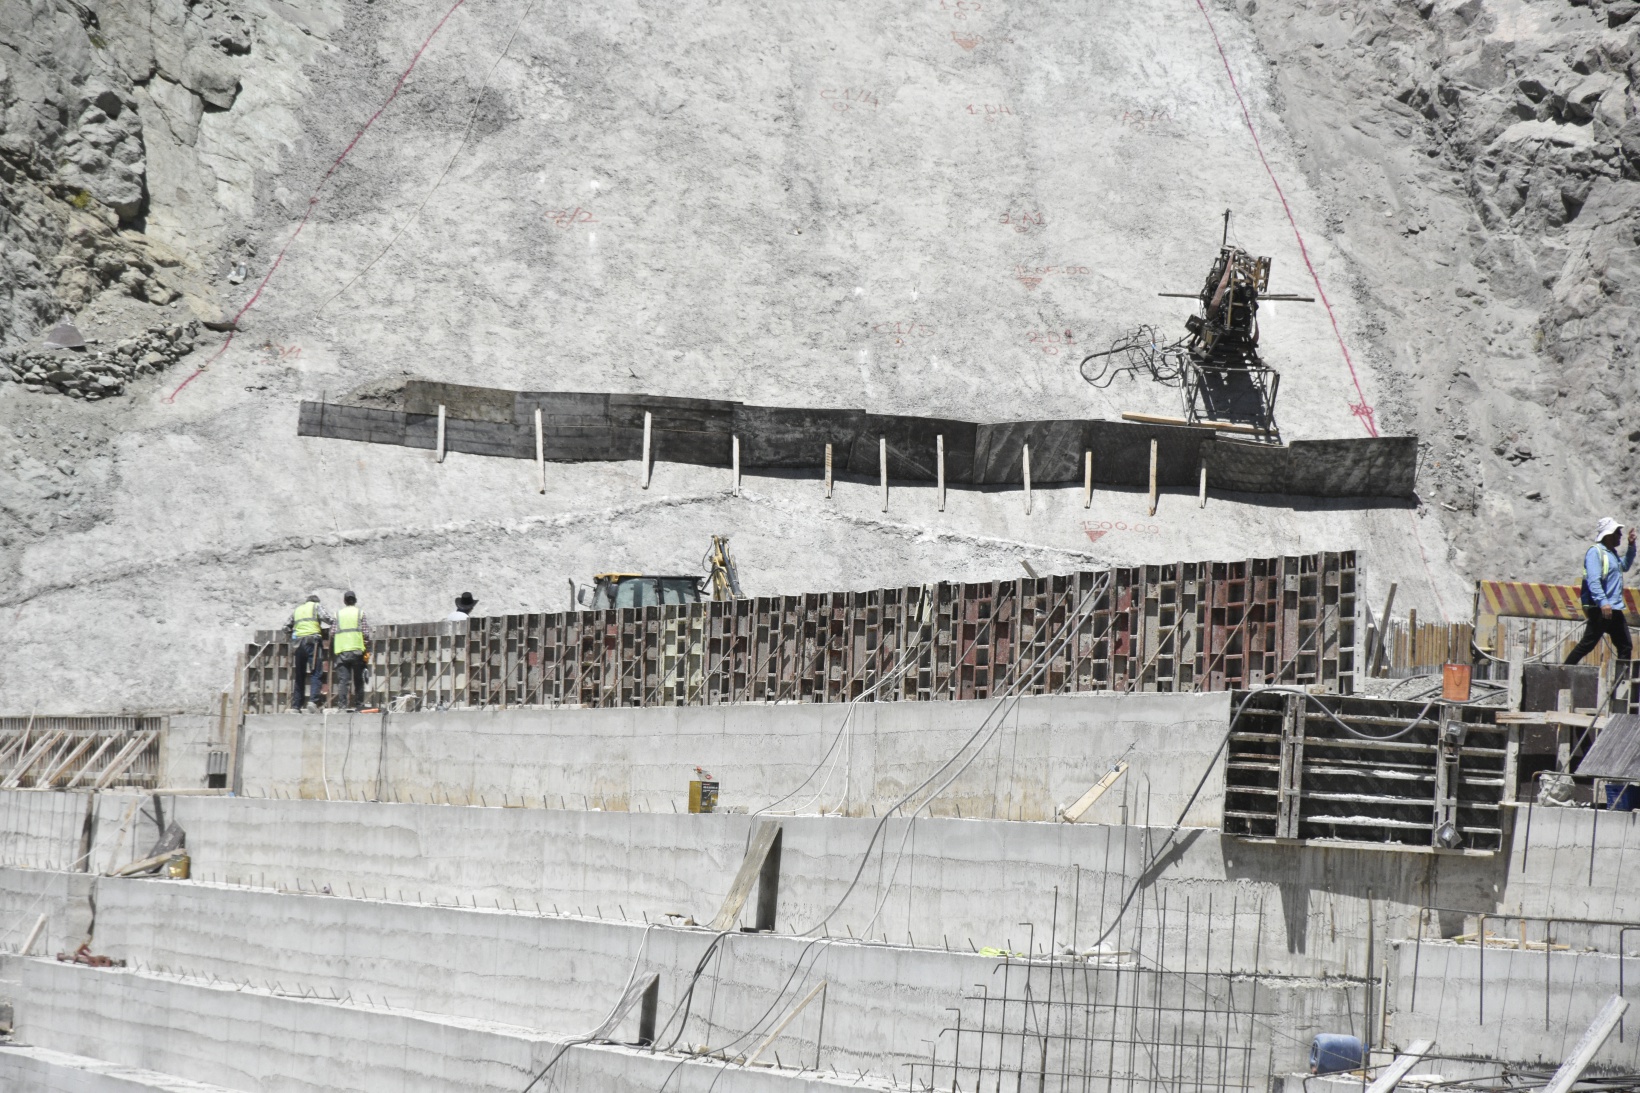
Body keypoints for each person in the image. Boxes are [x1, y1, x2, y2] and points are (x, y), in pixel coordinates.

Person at [1567, 517, 1637, 666]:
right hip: (1601, 607)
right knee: (1588, 644)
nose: (1620, 535)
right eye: (1618, 532)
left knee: (1625, 646)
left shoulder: (1612, 553)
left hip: (1613, 608)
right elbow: (1593, 580)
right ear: (1609, 534)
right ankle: (1563, 671)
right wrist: (1603, 602)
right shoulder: (1595, 552)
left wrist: (1631, 546)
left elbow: (1623, 566)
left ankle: (1620, 683)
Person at [285, 593, 333, 712]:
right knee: (316, 672)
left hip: (298, 644)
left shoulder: (297, 610)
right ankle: (312, 702)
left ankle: (296, 706)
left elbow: (285, 627)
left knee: (299, 675)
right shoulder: (316, 606)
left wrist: (293, 635)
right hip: (312, 642)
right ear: (316, 601)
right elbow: (328, 619)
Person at [332, 591, 373, 712]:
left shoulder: (338, 614)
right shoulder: (360, 613)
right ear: (355, 600)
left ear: (344, 601)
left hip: (342, 651)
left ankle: (342, 707)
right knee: (358, 680)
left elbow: (332, 632)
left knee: (343, 681)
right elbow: (366, 633)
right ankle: (359, 705)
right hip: (357, 650)